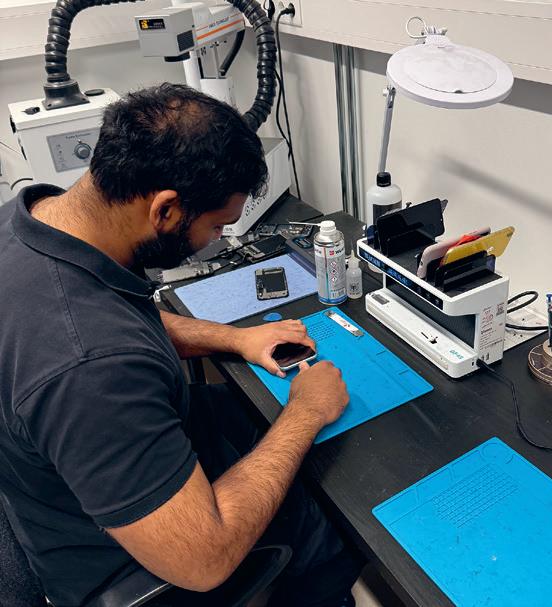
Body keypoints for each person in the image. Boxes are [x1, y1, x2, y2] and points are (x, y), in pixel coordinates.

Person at [0, 83, 363, 606]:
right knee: (332, 526)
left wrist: (235, 337)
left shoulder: (35, 223)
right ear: (166, 210)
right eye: (217, 226)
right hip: (130, 559)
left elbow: (117, 317)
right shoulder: (90, 370)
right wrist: (305, 413)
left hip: (70, 478)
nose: (218, 240)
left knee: (246, 414)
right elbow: (203, 561)